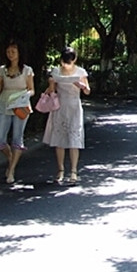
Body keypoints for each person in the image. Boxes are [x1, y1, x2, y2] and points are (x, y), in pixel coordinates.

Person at [43, 47, 90, 184]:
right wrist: (51, 83)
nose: (66, 65)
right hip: (60, 106)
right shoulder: (56, 71)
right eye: (64, 62)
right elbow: (51, 91)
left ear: (74, 60)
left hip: (74, 107)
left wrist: (81, 85)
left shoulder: (80, 72)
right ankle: (61, 170)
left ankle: (74, 171)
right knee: (59, 138)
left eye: (69, 62)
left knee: (74, 139)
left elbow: (87, 91)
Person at [0, 39, 35, 184]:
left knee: (17, 138)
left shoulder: (27, 70)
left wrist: (25, 96)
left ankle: (11, 170)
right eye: (8, 51)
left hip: (21, 105)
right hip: (5, 104)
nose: (10, 54)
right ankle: (11, 158)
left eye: (13, 51)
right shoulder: (2, 69)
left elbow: (32, 89)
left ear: (19, 53)